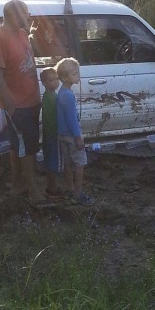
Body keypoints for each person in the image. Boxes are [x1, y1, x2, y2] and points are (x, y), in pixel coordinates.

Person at [0, 0, 47, 204]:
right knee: (28, 148)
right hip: (17, 105)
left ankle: (16, 185)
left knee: (17, 146)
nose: (28, 17)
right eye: (25, 14)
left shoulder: (22, 33)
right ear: (13, 16)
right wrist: (10, 107)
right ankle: (33, 191)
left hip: (31, 102)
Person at [55, 57, 92, 205]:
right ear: (64, 77)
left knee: (67, 163)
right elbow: (71, 119)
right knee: (80, 163)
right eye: (74, 74)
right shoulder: (69, 96)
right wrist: (78, 137)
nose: (78, 76)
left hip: (62, 135)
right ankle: (78, 192)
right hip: (71, 136)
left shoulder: (61, 92)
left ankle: (70, 189)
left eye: (77, 73)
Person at [40, 67, 62, 199]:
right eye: (51, 80)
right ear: (44, 83)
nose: (55, 82)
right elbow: (54, 118)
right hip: (53, 134)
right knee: (53, 160)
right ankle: (53, 188)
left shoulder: (49, 95)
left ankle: (50, 186)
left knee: (49, 159)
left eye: (56, 79)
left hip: (48, 133)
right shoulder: (52, 98)